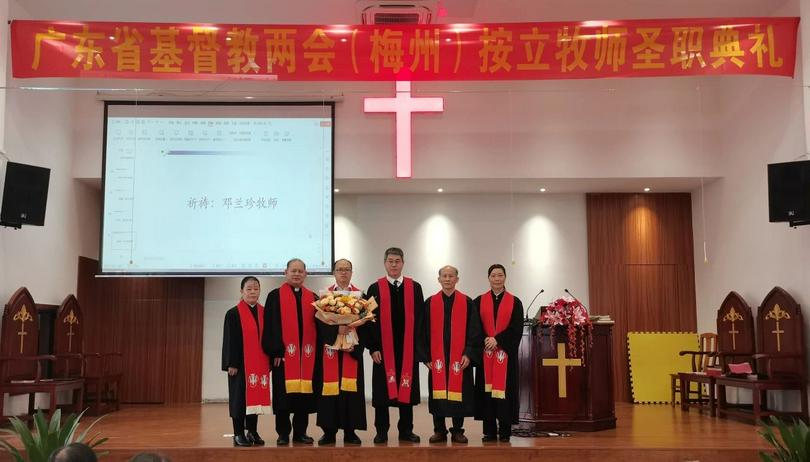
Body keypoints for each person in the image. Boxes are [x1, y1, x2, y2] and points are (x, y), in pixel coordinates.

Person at [364, 247, 425, 444]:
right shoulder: (375, 288)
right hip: (383, 351)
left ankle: (406, 430)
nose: (393, 264)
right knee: (382, 395)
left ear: (403, 263)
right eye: (390, 261)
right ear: (384, 263)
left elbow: (421, 320)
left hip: (407, 351)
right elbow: (368, 320)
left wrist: (417, 349)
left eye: (397, 261)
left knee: (406, 391)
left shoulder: (414, 287)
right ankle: (381, 431)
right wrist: (373, 348)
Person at [263, 259, 319, 445]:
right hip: (284, 357)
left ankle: (300, 432)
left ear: (306, 274)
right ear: (285, 272)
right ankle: (283, 433)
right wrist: (276, 351)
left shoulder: (313, 298)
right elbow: (270, 326)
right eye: (293, 271)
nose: (296, 274)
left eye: (300, 271)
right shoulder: (275, 296)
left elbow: (319, 327)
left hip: (307, 357)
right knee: (283, 397)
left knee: (303, 397)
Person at [424, 266, 481, 444]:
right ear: (438, 279)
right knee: (438, 395)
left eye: (451, 276)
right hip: (438, 358)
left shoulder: (467, 302)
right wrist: (426, 357)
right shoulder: (430, 303)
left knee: (459, 395)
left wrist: (469, 353)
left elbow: (475, 331)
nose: (447, 279)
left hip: (459, 358)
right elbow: (422, 331)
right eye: (444, 276)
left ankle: (457, 431)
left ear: (457, 279)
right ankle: (439, 430)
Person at [315, 258, 367, 445]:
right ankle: (328, 432)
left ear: (352, 272)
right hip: (331, 352)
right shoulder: (324, 297)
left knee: (350, 392)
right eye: (340, 269)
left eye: (347, 269)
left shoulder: (361, 295)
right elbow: (319, 325)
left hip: (352, 352)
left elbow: (367, 325)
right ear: (334, 273)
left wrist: (356, 344)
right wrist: (336, 331)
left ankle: (350, 432)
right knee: (330, 391)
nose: (343, 272)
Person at [473, 264, 524, 442]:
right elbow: (474, 327)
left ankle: (504, 431)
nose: (497, 278)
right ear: (488, 278)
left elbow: (516, 328)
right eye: (493, 275)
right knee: (487, 393)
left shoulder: (515, 302)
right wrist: (486, 340)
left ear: (505, 277)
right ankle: (489, 431)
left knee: (505, 393)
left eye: (500, 275)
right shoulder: (478, 301)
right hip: (485, 354)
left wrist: (498, 340)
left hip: (505, 356)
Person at [221, 276, 270, 447]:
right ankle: (238, 433)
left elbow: (268, 339)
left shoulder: (265, 312)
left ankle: (252, 431)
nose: (253, 291)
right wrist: (231, 363)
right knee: (239, 399)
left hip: (259, 364)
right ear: (241, 291)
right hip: (240, 366)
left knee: (255, 398)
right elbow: (229, 340)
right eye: (249, 288)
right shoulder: (233, 313)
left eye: (256, 288)